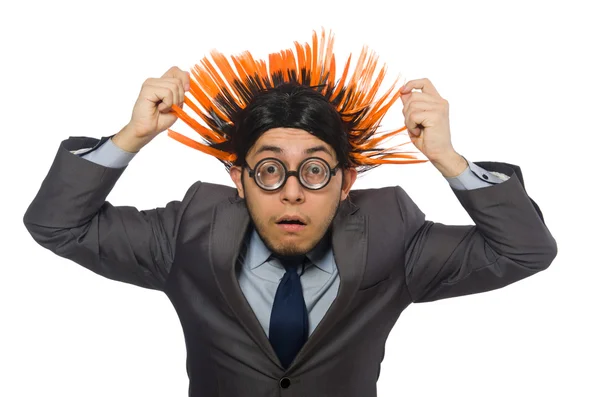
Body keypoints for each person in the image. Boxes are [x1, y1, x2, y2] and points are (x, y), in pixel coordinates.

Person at [23, 30, 557, 397]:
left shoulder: (392, 235)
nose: (293, 193)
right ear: (238, 179)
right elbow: (57, 224)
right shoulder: (187, 232)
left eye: (317, 171)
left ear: (348, 181)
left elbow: (525, 250)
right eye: (271, 171)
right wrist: (130, 138)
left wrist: (448, 159)